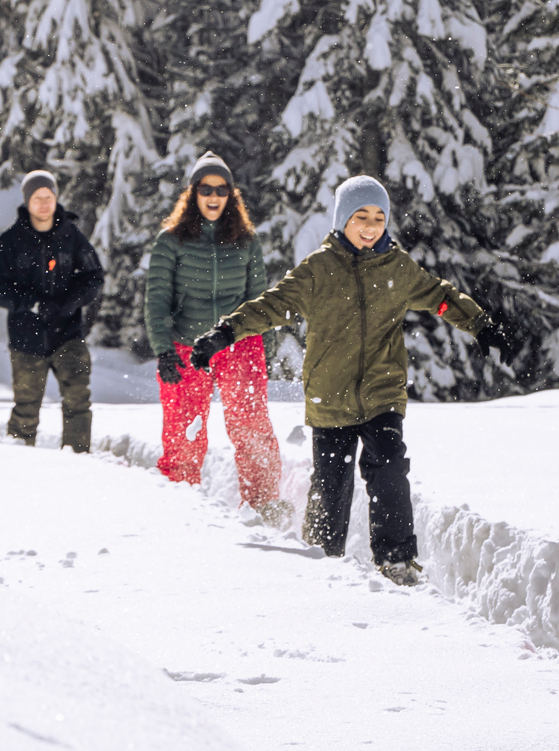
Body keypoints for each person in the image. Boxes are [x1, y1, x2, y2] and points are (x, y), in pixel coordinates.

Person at [191, 175, 510, 586]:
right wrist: (224, 333)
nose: (371, 225)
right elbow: (271, 306)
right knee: (331, 485)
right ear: (343, 219)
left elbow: (438, 295)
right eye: (362, 216)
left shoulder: (397, 266)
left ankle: (397, 559)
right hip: (330, 396)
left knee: (390, 467)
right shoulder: (318, 270)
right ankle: (323, 558)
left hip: (382, 392)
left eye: (379, 217)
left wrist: (480, 325)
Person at [144, 153, 289, 520]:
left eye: (221, 189)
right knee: (183, 430)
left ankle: (263, 504)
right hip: (186, 345)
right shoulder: (170, 241)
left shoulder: (246, 241)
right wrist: (163, 350)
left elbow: (259, 301)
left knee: (250, 424)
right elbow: (156, 299)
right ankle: (180, 502)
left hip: (237, 343)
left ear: (230, 194)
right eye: (205, 188)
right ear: (193, 193)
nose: (213, 195)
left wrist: (263, 353)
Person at [0, 170, 102, 452]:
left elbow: (94, 278)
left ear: (56, 198)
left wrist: (70, 303)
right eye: (38, 198)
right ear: (27, 202)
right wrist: (31, 302)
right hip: (26, 340)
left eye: (49, 197)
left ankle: (77, 460)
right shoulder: (10, 241)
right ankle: (20, 462)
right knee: (25, 409)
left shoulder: (72, 236)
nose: (44, 204)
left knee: (77, 402)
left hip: (69, 334)